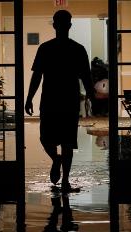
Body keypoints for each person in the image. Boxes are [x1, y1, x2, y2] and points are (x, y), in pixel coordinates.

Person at [25, 10, 94, 191]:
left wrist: (29, 98)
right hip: (68, 100)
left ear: (54, 25)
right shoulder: (78, 49)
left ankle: (58, 164)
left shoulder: (46, 49)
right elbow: (86, 78)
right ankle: (64, 179)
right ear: (69, 25)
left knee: (46, 138)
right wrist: (92, 98)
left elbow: (37, 76)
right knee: (67, 143)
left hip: (50, 100)